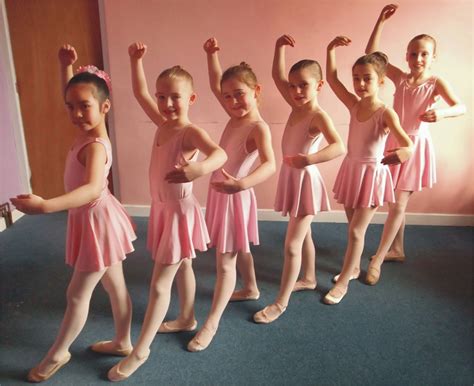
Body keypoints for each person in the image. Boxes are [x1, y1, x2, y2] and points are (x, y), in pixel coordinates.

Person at [11, 44, 137, 382]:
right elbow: (76, 94)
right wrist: (65, 67)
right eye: (71, 107)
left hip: (97, 221)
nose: (77, 114)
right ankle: (124, 341)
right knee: (115, 285)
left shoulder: (96, 145)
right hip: (99, 221)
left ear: (105, 107)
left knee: (77, 293)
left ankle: (58, 352)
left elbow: (93, 188)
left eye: (85, 107)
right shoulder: (88, 131)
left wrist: (46, 206)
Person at [107, 42, 227, 381]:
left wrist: (198, 170)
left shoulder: (190, 132)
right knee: (185, 264)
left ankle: (140, 350)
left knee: (160, 284)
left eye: (175, 97)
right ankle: (187, 317)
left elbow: (220, 155)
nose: (166, 103)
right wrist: (135, 61)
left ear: (191, 99)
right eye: (162, 97)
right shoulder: (162, 123)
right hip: (163, 209)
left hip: (179, 212)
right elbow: (139, 91)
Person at [364, 4, 466, 284]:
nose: (417, 58)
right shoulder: (400, 77)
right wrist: (380, 21)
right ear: (406, 56)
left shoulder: (435, 82)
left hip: (414, 145)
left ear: (433, 58)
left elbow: (461, 107)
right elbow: (371, 55)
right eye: (413, 53)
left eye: (424, 54)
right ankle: (397, 248)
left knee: (398, 203)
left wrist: (441, 113)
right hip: (392, 140)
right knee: (395, 202)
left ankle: (379, 258)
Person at [186, 37, 276, 351]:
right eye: (227, 97)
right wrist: (212, 54)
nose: (232, 102)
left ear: (257, 91)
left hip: (236, 196)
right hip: (223, 194)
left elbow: (270, 164)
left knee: (225, 262)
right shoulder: (235, 116)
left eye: (239, 95)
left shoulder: (257, 127)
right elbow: (215, 83)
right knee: (240, 247)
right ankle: (250, 286)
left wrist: (242, 184)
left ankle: (210, 324)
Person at [253, 34, 345, 323]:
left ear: (318, 86)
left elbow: (339, 146)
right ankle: (307, 277)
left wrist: (309, 159)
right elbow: (277, 75)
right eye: (293, 86)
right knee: (302, 233)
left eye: (303, 85)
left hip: (306, 180)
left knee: (292, 243)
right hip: (292, 177)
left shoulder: (317, 115)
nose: (295, 91)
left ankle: (280, 303)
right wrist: (278, 46)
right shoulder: (296, 106)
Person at [324, 36, 414, 304]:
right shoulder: (353, 104)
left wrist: (404, 152)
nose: (360, 84)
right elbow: (331, 79)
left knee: (356, 231)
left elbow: (407, 142)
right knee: (352, 226)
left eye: (367, 78)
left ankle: (343, 282)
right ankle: (352, 268)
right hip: (352, 170)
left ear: (381, 81)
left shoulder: (385, 112)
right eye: (356, 78)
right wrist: (330, 50)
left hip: (372, 175)